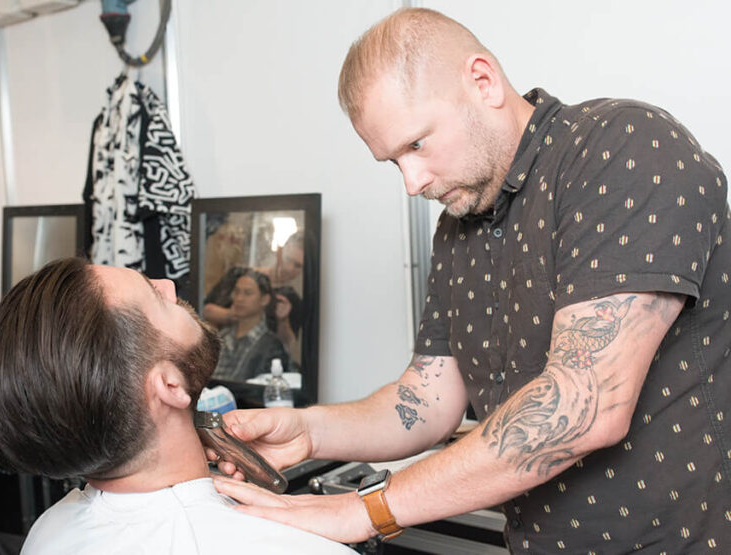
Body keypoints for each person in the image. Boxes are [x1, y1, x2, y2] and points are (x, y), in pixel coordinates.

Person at [209, 7, 731, 552]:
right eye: (393, 162)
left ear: (482, 81)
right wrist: (312, 431)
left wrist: (361, 511)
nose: (412, 183)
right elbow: (425, 401)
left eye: (416, 145)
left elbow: (584, 405)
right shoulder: (457, 230)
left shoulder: (622, 148)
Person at [0, 257, 355, 554]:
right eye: (156, 296)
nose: (169, 286)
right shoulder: (303, 547)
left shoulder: (47, 533)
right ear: (170, 385)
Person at [204, 231, 305, 361]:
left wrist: (282, 320)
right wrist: (234, 315)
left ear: (265, 299)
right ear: (280, 252)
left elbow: (288, 345)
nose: (289, 268)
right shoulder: (239, 274)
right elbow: (206, 310)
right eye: (288, 259)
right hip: (224, 355)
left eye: (298, 266)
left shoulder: (291, 299)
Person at [213, 268, 291, 381]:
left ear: (264, 299)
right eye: (237, 291)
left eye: (247, 293)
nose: (239, 298)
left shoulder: (271, 346)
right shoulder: (222, 337)